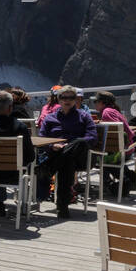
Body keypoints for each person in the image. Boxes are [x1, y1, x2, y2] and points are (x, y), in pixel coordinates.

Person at [36, 86, 96, 218]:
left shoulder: (84, 116)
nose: (67, 100)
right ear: (58, 99)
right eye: (64, 97)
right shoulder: (50, 118)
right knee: (67, 161)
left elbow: (91, 137)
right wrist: (52, 145)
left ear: (76, 100)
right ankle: (62, 207)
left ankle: (48, 170)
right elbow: (42, 138)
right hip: (59, 154)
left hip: (80, 156)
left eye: (71, 98)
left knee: (79, 143)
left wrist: (70, 145)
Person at [92, 90, 136, 195]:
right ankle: (126, 178)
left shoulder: (106, 112)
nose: (94, 104)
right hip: (125, 149)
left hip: (120, 151)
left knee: (96, 156)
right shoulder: (113, 111)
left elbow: (116, 133)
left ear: (102, 102)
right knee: (104, 156)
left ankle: (112, 184)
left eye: (96, 101)